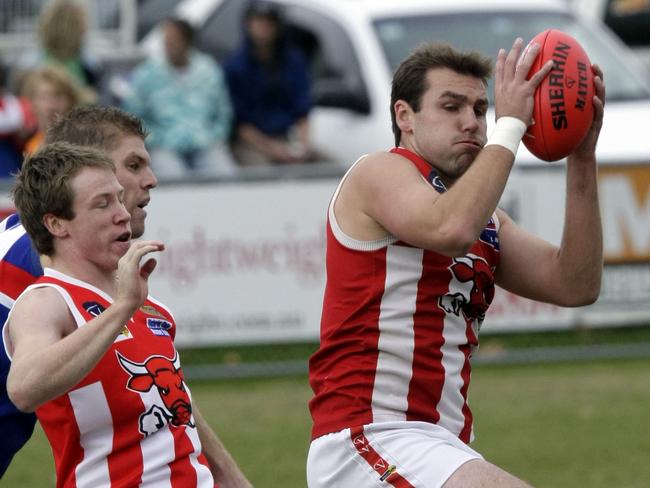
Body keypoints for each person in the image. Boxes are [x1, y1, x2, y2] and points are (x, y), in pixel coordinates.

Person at [307, 39, 605, 487]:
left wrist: (581, 157)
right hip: (370, 435)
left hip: (441, 444)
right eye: (451, 107)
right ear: (403, 116)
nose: (472, 122)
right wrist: (510, 125)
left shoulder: (483, 217)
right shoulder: (379, 172)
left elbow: (575, 284)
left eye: (481, 110)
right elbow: (449, 229)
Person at [0, 106, 251, 486]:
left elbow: (156, 378)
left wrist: (225, 474)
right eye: (133, 165)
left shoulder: (116, 285)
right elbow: (26, 386)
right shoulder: (34, 264)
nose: (150, 180)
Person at [123, 17, 238, 180]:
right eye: (166, 40)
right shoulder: (148, 73)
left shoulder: (208, 71)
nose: (168, 45)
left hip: (205, 144)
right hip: (164, 146)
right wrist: (155, 139)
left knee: (226, 174)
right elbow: (133, 115)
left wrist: (215, 136)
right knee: (172, 177)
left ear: (187, 41)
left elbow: (223, 111)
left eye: (173, 40)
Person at [224, 1, 316, 166]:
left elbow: (302, 109)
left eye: (268, 22)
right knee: (265, 176)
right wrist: (273, 149)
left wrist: (305, 145)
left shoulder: (293, 61)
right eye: (258, 21)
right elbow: (240, 125)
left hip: (288, 137)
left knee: (330, 169)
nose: (263, 27)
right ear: (248, 24)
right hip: (252, 143)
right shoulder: (235, 67)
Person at [20, 65, 94, 154]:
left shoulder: (85, 141)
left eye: (58, 96)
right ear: (32, 102)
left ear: (72, 100)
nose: (50, 106)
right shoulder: (31, 146)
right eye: (43, 97)